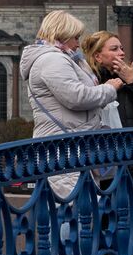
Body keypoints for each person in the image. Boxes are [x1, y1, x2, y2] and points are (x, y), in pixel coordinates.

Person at [21, 10, 123, 199]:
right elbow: (76, 97)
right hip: (64, 149)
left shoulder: (62, 59)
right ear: (62, 34)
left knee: (80, 212)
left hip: (71, 146)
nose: (78, 43)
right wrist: (109, 89)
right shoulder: (52, 60)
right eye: (75, 37)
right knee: (75, 213)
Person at [80, 31, 133, 128]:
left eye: (122, 49)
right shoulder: (87, 79)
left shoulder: (127, 78)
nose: (121, 53)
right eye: (114, 49)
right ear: (98, 56)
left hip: (129, 138)